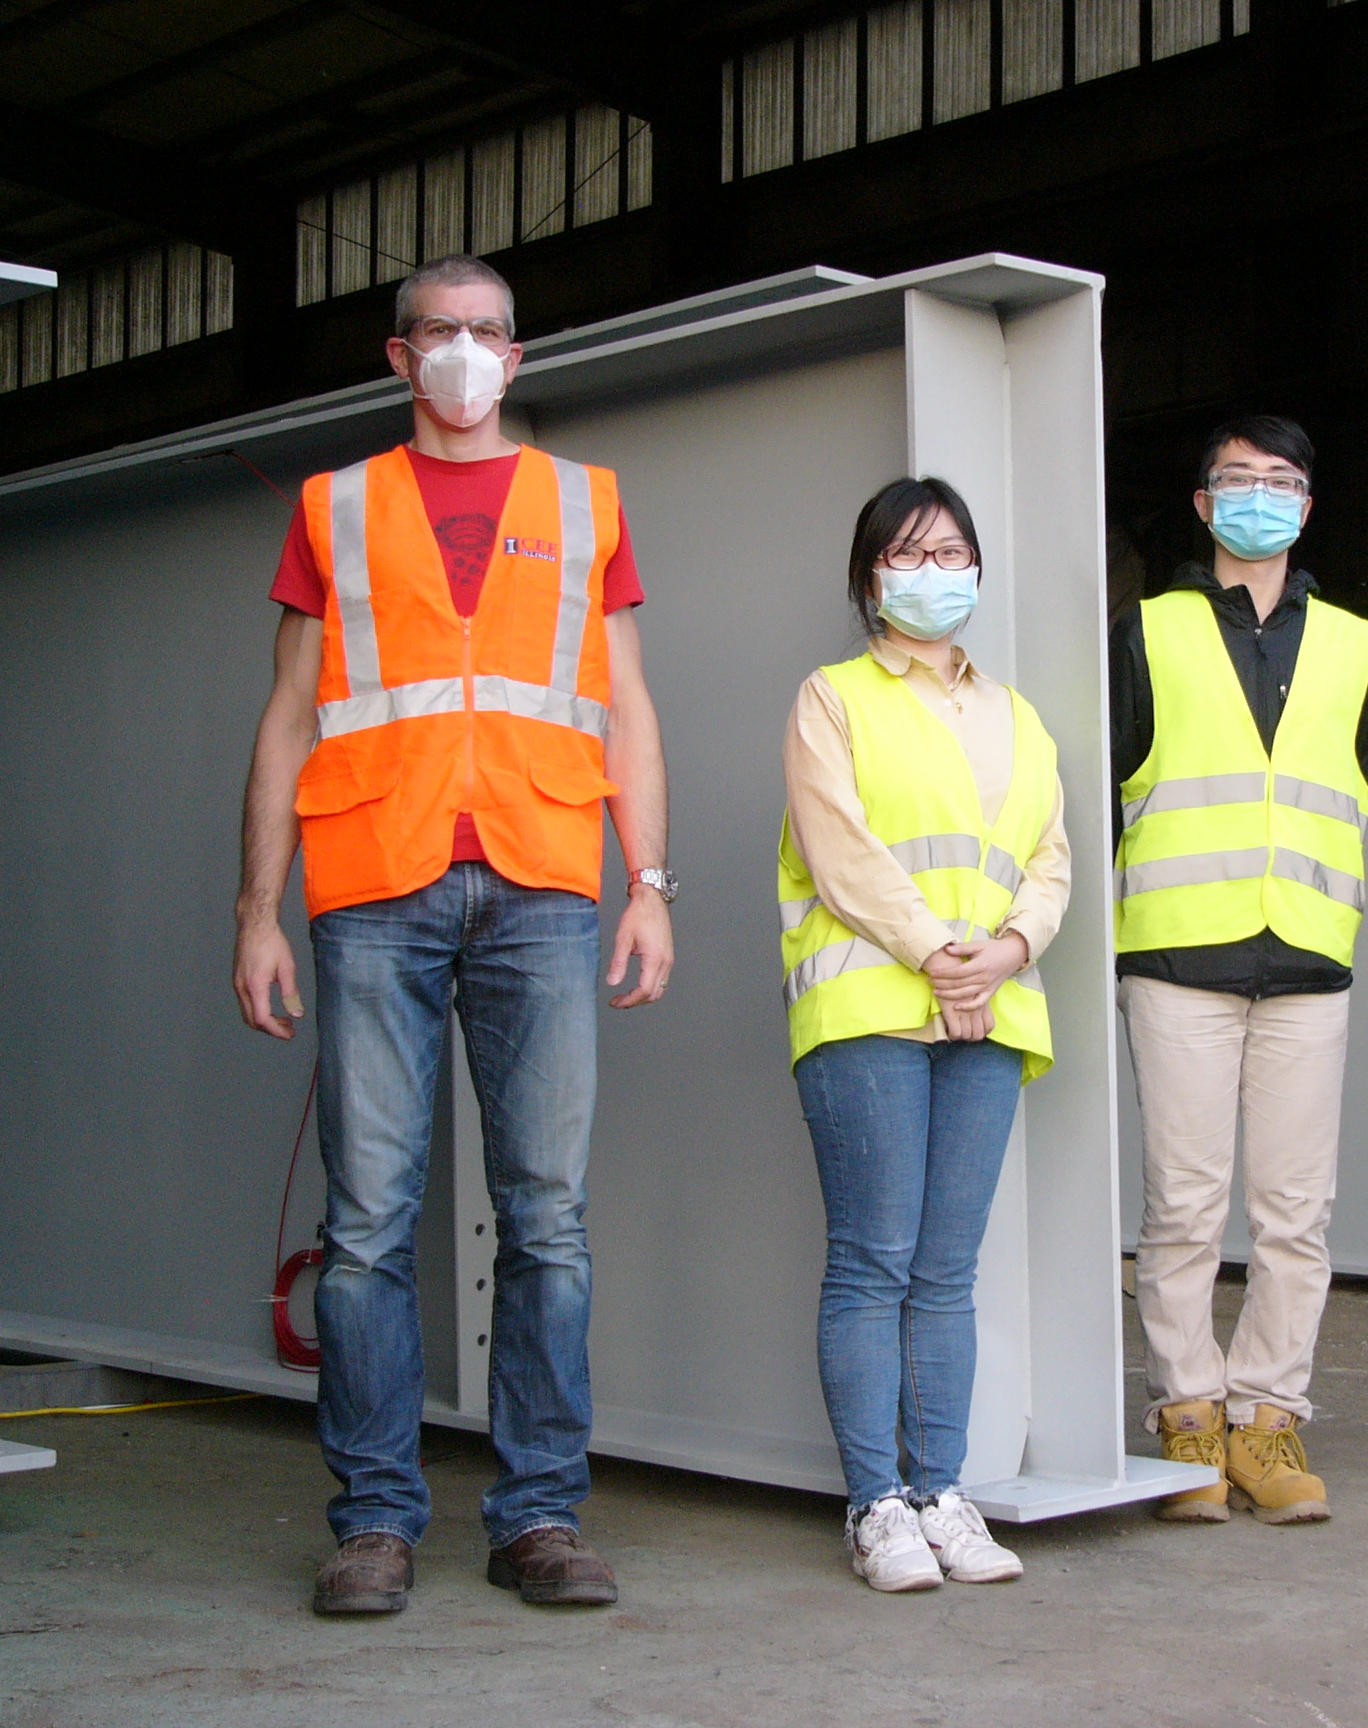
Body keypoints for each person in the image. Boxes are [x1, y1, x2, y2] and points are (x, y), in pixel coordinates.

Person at [232, 254, 674, 1615]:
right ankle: (374, 1521)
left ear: (518, 359)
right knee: (369, 1225)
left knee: (548, 1215)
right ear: (398, 356)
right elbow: (289, 714)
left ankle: (539, 1515)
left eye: (489, 333)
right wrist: (257, 908)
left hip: (543, 877)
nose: (466, 353)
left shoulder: (584, 500)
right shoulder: (337, 506)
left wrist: (651, 880)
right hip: (373, 877)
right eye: (442, 333)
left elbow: (628, 708)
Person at [779, 477, 1072, 1592]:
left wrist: (1008, 948)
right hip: (869, 1007)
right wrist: (941, 955)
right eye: (908, 554)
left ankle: (939, 1492)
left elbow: (1049, 857)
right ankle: (874, 1507)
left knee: (947, 1271)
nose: (933, 571)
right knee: (872, 1262)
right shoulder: (833, 696)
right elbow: (838, 846)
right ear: (868, 580)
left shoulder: (1019, 715)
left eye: (953, 552)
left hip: (991, 1010)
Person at [1111, 415, 1368, 1524]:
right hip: (1178, 956)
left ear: (1308, 507)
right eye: (1238, 479)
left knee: (1294, 1213)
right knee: (1183, 1206)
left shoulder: (1355, 643)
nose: (1260, 496)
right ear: (1203, 503)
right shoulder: (1147, 631)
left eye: (1282, 481)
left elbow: (1349, 783)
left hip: (1308, 962)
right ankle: (1188, 1416)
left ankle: (1268, 1422)